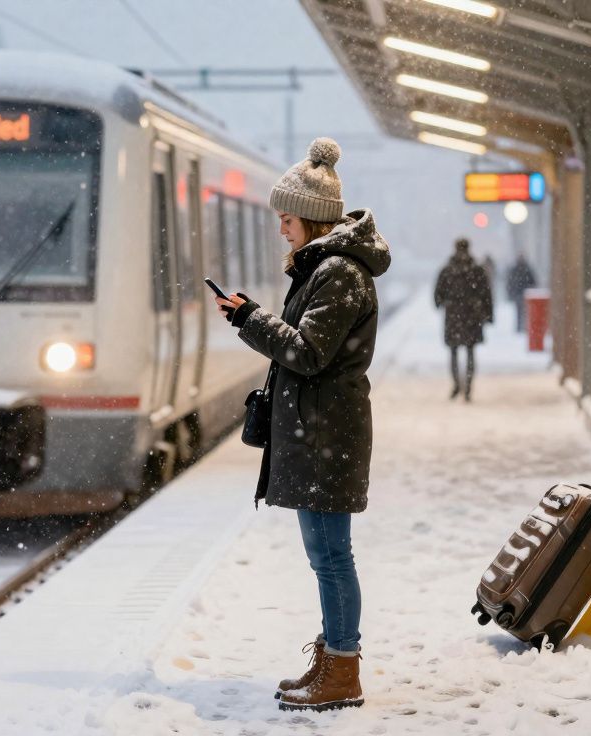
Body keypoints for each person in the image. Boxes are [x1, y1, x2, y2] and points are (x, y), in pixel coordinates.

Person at [214, 138, 390, 713]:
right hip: (320, 430)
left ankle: (343, 668)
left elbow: (309, 353)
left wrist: (248, 317)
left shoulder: (337, 273)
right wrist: (254, 318)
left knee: (332, 556)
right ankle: (333, 655)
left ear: (312, 221)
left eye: (286, 220)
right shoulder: (327, 268)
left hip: (326, 434)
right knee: (326, 555)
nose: (282, 230)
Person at [435, 238, 493, 401]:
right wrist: (488, 314)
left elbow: (438, 294)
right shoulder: (476, 270)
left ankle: (456, 385)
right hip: (471, 316)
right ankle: (467, 388)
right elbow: (486, 294)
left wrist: (443, 302)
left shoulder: (447, 270)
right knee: (470, 351)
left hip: (453, 316)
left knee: (453, 352)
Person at [505, 253, 536, 333]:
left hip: (521, 294)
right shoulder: (526, 269)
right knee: (523, 311)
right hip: (523, 294)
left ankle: (521, 327)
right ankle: (522, 327)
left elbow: (510, 283)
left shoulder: (518, 269)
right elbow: (533, 282)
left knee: (520, 311)